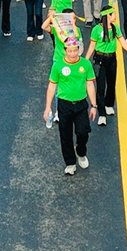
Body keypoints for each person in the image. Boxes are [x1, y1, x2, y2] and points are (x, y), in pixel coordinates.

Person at [43, 37, 98, 176]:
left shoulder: (85, 65)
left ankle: (80, 152)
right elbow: (52, 86)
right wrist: (48, 107)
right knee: (65, 135)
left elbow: (90, 84)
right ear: (65, 51)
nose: (73, 54)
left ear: (79, 50)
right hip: (64, 105)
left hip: (80, 105)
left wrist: (93, 105)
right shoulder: (58, 66)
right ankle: (70, 163)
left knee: (83, 132)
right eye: (70, 51)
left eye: (75, 50)